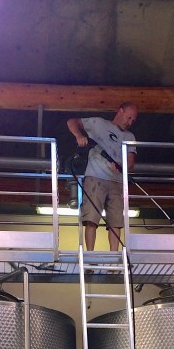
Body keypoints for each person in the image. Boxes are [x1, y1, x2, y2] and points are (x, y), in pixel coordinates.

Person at [67, 103, 138, 251]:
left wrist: (121, 165)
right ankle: (90, 256)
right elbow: (72, 121)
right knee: (91, 219)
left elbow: (130, 162)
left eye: (133, 120)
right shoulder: (98, 123)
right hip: (95, 177)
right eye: (129, 117)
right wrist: (79, 136)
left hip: (117, 181)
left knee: (116, 222)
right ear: (120, 111)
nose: (130, 122)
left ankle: (114, 258)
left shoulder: (129, 136)